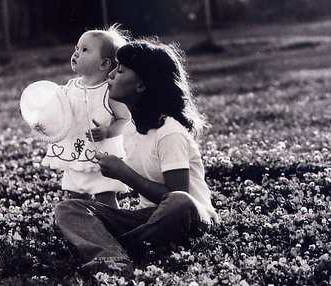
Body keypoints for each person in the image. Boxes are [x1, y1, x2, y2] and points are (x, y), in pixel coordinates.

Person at [54, 38, 219, 275]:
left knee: (178, 202)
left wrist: (123, 173)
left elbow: (175, 196)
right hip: (149, 219)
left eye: (120, 70)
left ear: (141, 86)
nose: (110, 74)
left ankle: (119, 246)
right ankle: (114, 257)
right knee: (68, 208)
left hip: (192, 219)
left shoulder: (169, 133)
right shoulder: (130, 127)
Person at [42, 25, 131, 208]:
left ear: (104, 64)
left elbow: (125, 120)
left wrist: (107, 131)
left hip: (101, 159)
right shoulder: (69, 87)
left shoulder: (109, 91)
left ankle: (114, 225)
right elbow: (54, 110)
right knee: (76, 197)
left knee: (105, 197)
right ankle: (81, 225)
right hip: (75, 153)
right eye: (76, 48)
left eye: (84, 50)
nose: (76, 53)